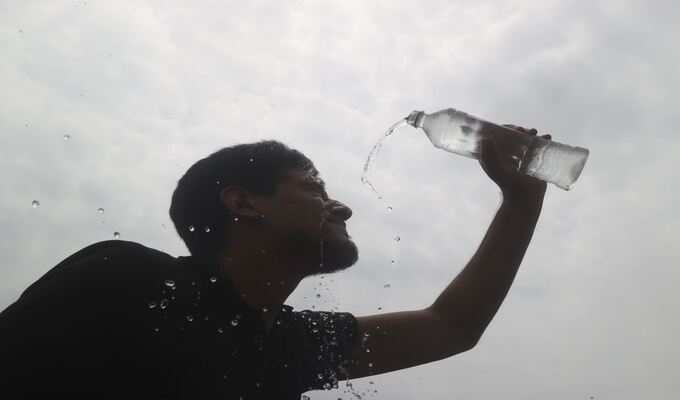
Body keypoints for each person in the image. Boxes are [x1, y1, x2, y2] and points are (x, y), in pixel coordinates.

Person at [0, 127, 551, 399]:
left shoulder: (289, 345)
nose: (343, 207)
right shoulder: (131, 281)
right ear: (243, 203)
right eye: (314, 189)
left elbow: (451, 327)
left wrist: (522, 202)